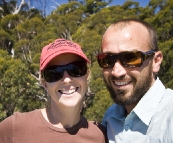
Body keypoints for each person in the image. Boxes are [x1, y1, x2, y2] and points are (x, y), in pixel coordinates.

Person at [0, 38, 108, 143]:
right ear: (45, 84)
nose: (66, 80)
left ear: (87, 75)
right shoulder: (14, 127)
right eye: (54, 73)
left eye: (76, 69)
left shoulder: (100, 135)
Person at [96, 19, 173, 143]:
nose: (117, 72)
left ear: (156, 61)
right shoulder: (110, 117)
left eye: (131, 58)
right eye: (107, 59)